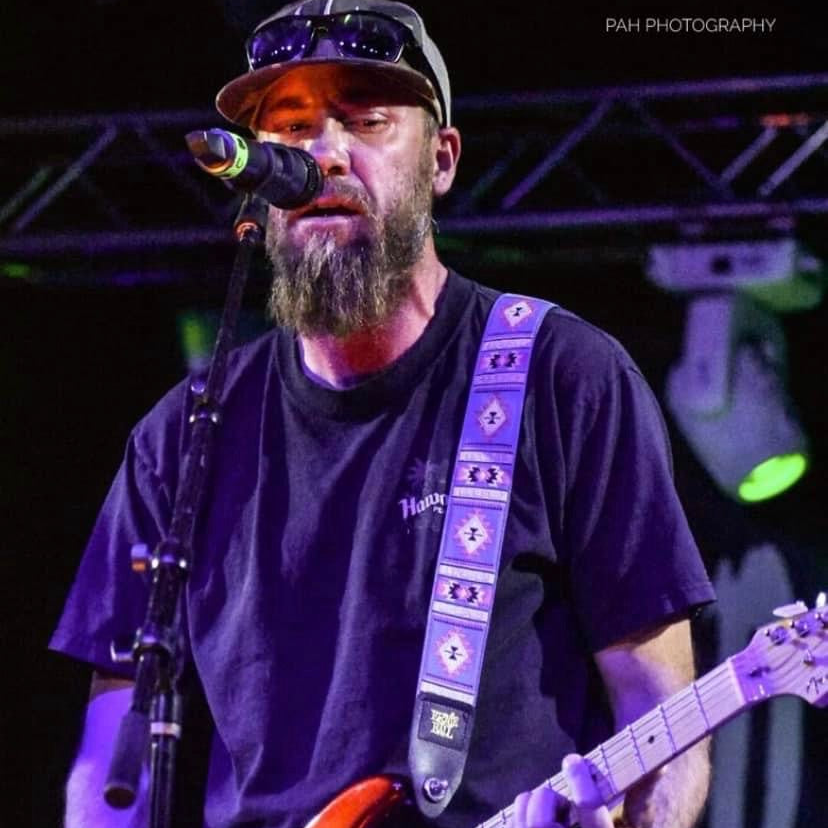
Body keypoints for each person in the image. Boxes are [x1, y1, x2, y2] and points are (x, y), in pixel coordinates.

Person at [50, 2, 716, 827]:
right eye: (290, 127)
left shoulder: (561, 376)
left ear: (441, 160)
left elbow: (662, 716)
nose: (324, 153)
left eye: (366, 121)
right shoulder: (181, 439)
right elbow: (110, 755)